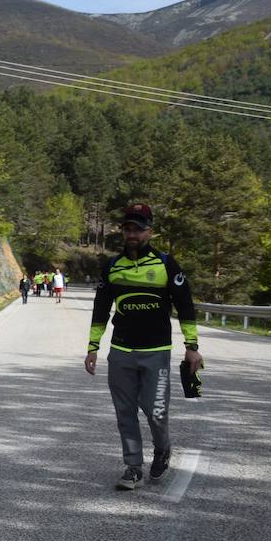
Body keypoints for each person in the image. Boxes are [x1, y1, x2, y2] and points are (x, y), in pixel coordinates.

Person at [85, 204, 203, 491]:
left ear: (149, 231)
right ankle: (133, 467)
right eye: (128, 228)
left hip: (156, 351)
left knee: (156, 411)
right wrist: (92, 347)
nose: (132, 233)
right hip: (121, 352)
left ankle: (162, 449)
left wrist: (192, 346)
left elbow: (185, 305)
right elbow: (101, 309)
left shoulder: (166, 264)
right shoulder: (112, 267)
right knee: (125, 413)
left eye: (138, 228)